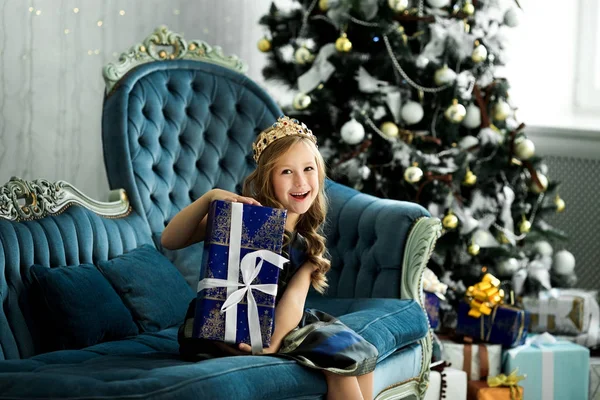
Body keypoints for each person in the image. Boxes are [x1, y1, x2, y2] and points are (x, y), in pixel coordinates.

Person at [161, 115, 378, 400]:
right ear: (268, 179)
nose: (300, 181)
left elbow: (294, 301)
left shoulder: (306, 241)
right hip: (225, 323)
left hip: (279, 324)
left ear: (320, 174)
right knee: (339, 367)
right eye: (286, 172)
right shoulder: (244, 221)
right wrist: (209, 198)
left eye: (308, 168)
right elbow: (170, 239)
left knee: (356, 356)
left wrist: (271, 344)